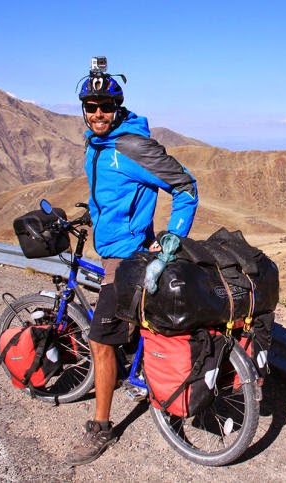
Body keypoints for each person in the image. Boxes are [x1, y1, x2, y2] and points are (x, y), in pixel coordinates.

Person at [66, 58, 198, 466]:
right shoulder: (99, 143)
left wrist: (173, 238)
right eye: (91, 106)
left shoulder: (129, 146)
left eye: (106, 105)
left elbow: (185, 186)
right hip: (112, 246)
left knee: (99, 341)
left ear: (118, 106)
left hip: (125, 259)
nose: (98, 113)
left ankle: (101, 428)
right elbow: (116, 192)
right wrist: (96, 213)